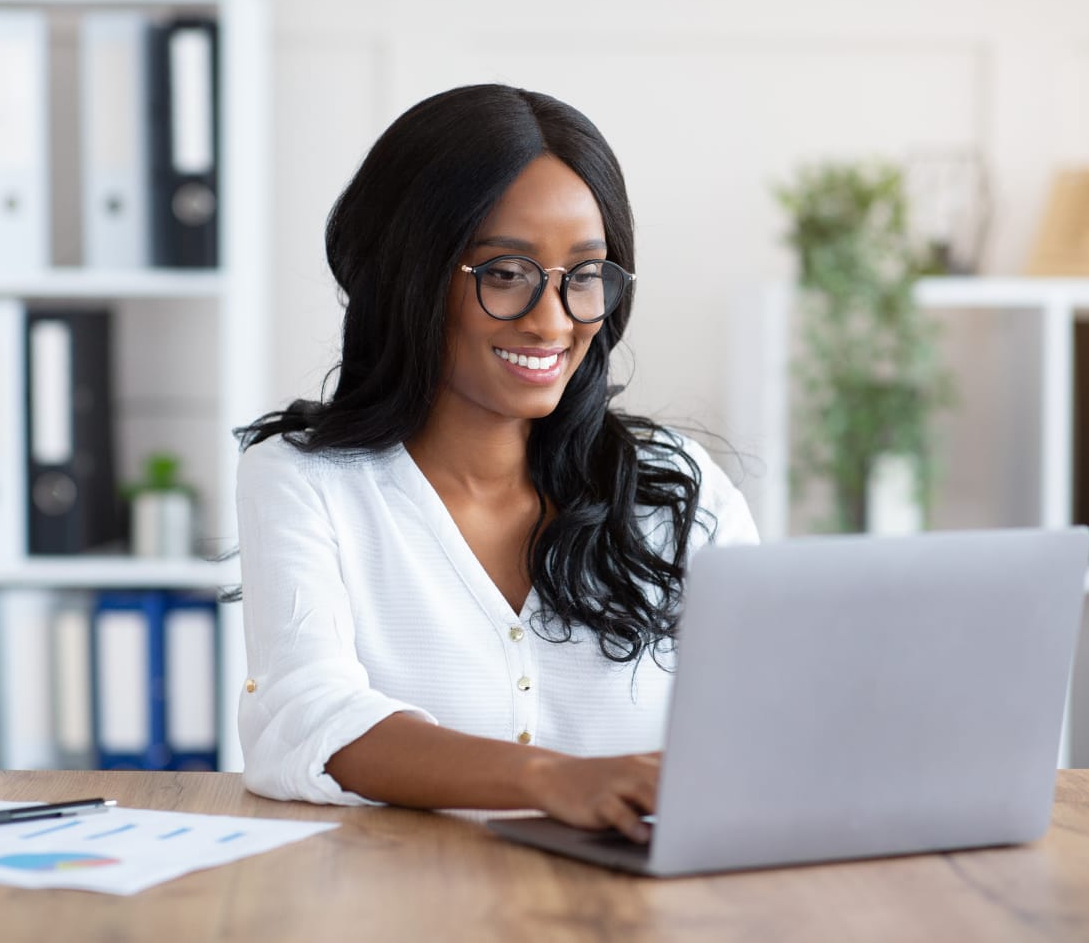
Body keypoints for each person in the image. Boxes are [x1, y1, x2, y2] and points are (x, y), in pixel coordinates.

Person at [234, 84, 758, 842]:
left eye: (584, 276)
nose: (553, 321)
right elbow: (304, 718)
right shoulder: (306, 482)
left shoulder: (677, 488)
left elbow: (772, 715)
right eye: (506, 273)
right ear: (410, 275)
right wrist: (553, 780)